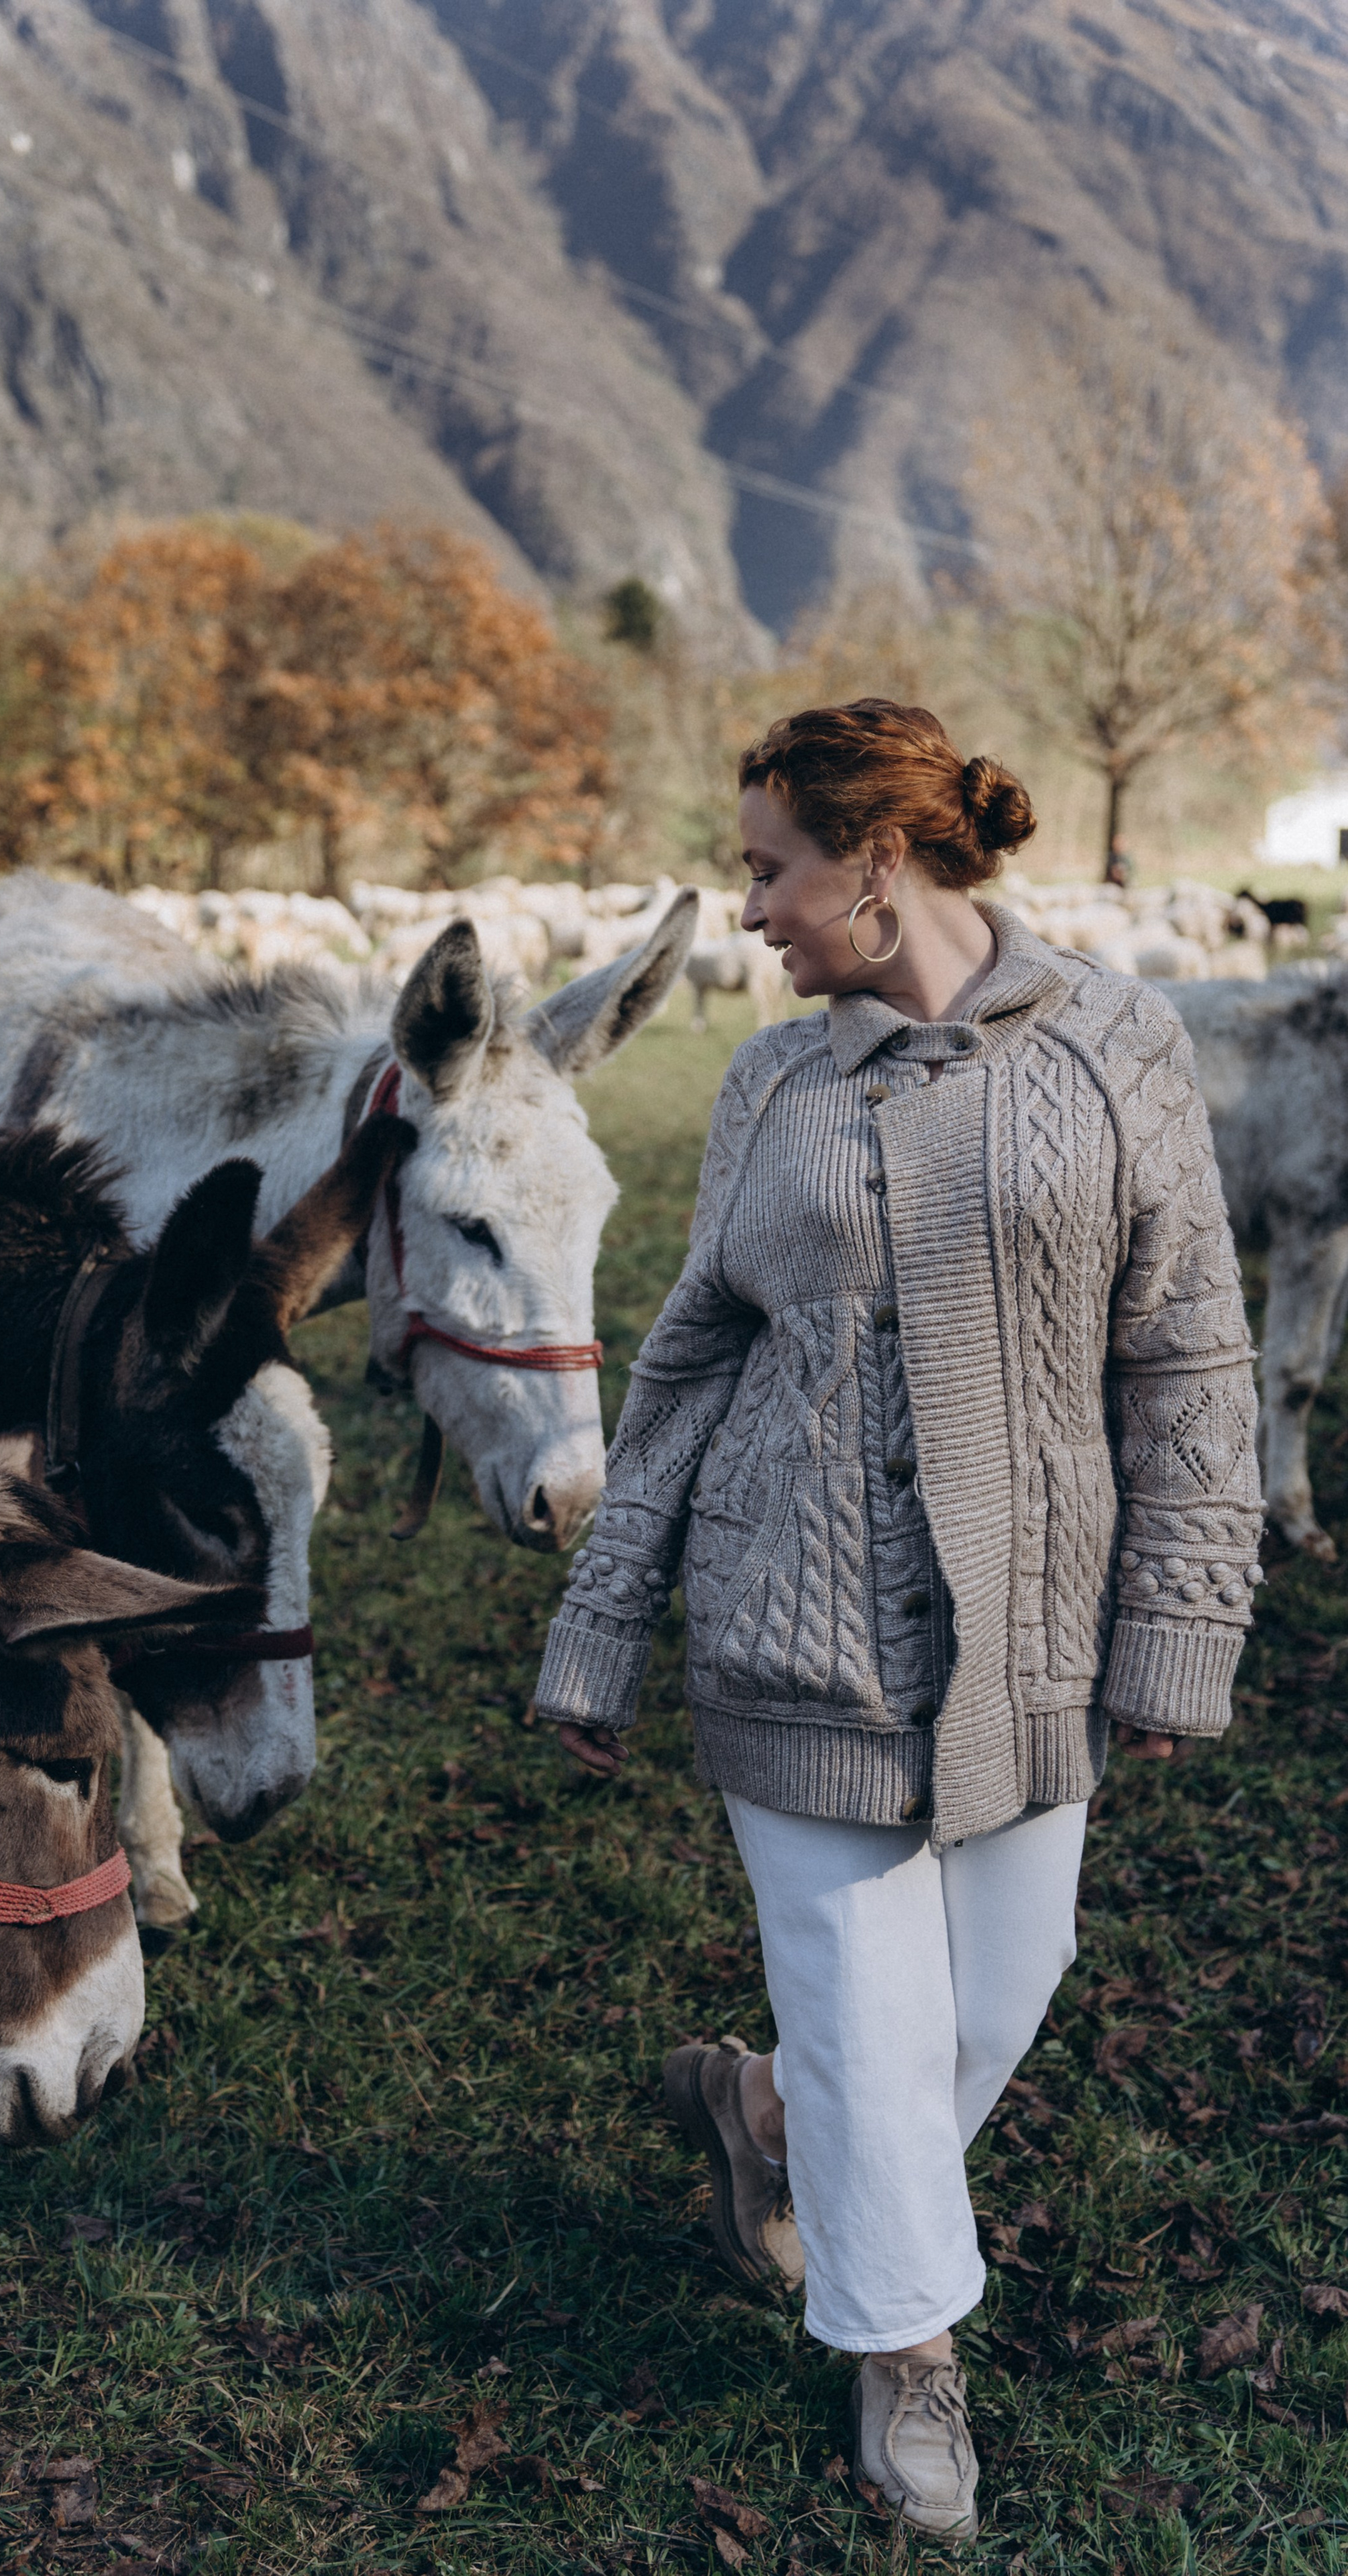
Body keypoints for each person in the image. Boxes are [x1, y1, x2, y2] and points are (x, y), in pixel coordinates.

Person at [531, 700, 1261, 2544]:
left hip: (1035, 1634)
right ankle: (908, 2355)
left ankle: (764, 2123)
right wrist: (601, 1621)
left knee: (992, 2004)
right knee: (871, 2008)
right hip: (796, 1621)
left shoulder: (1121, 1049)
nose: (752, 907)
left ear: (877, 857)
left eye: (772, 868)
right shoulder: (772, 1084)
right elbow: (691, 1359)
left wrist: (1179, 1627)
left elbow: (1187, 1358)